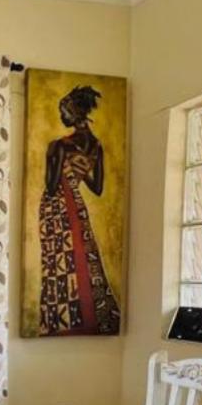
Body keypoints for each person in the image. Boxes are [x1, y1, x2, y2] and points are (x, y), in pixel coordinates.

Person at [38, 85, 121, 335]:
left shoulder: (59, 146)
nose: (61, 116)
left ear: (74, 113)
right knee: (81, 257)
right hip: (77, 205)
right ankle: (86, 317)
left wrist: (54, 160)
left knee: (59, 263)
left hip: (57, 208)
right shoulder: (96, 146)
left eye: (63, 111)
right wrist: (77, 170)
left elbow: (51, 185)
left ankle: (62, 320)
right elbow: (97, 187)